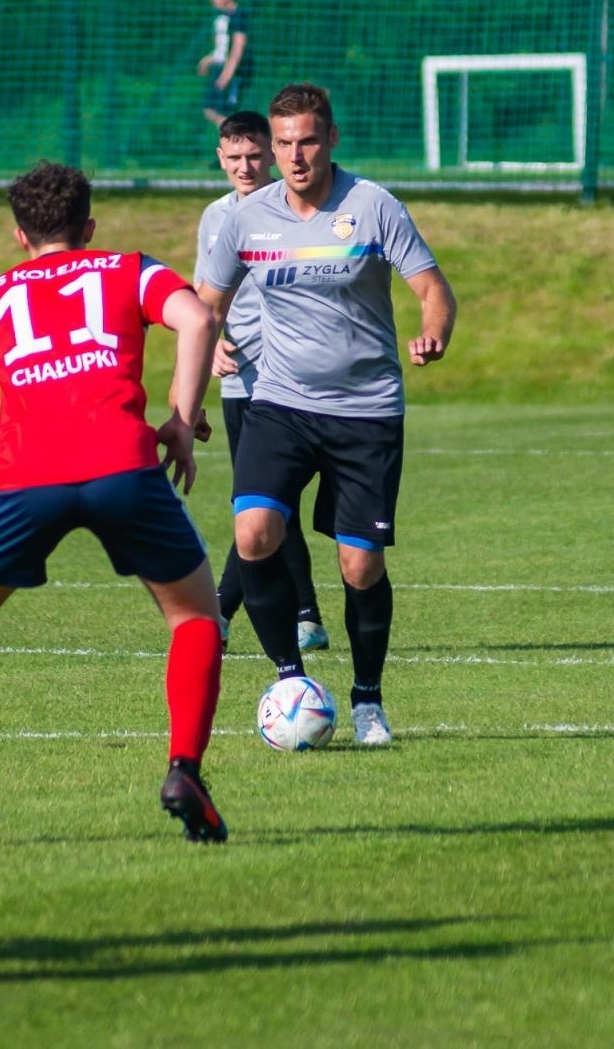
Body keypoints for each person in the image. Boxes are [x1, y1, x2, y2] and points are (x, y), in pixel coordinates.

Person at [0, 162, 228, 847]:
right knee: (195, 615)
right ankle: (184, 770)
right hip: (122, 467)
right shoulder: (128, 269)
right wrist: (182, 420)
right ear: (89, 227)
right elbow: (197, 319)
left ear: (20, 234)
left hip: (22, 480)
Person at [196, 83, 457, 746]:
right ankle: (291, 678)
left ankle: (367, 700)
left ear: (332, 138)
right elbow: (203, 308)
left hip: (366, 413)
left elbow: (432, 289)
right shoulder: (245, 219)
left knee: (359, 567)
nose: (294, 155)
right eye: (283, 143)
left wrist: (434, 332)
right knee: (254, 532)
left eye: (307, 140)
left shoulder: (372, 206)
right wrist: (191, 384)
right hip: (280, 405)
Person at [195, 110, 330, 655]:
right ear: (220, 159)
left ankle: (220, 613)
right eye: (235, 158)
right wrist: (212, 344)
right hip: (237, 378)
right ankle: (307, 615)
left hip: (287, 379)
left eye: (255, 155)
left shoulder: (291, 211)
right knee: (266, 504)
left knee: (261, 502)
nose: (246, 167)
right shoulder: (215, 216)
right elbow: (207, 292)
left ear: (270, 155)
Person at [196, 0, 251, 128]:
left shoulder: (238, 15)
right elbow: (221, 47)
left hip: (233, 72)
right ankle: (231, 138)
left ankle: (235, 139)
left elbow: (238, 46)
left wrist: (227, 74)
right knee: (209, 110)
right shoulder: (221, 16)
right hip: (219, 68)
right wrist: (208, 59)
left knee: (227, 113)